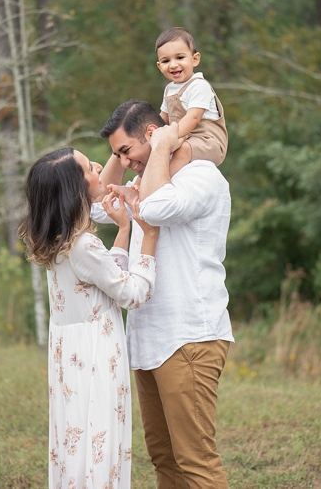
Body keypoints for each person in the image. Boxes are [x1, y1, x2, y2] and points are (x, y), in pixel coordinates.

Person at [97, 100, 234, 489]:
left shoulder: (201, 175)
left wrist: (160, 148)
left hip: (188, 337)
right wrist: (124, 163)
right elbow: (95, 208)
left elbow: (154, 210)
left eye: (126, 151)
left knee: (195, 461)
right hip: (150, 339)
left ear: (154, 136)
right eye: (117, 155)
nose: (125, 163)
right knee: (164, 458)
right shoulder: (148, 179)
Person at [19, 147, 159, 488]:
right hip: (96, 357)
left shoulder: (60, 241)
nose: (99, 167)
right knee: (100, 437)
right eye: (88, 167)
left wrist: (123, 229)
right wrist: (149, 235)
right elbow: (132, 294)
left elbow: (104, 278)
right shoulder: (84, 246)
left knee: (76, 438)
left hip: (73, 357)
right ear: (75, 189)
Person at [155, 27, 228, 176]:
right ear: (159, 66)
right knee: (151, 151)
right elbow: (163, 118)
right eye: (166, 61)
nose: (173, 64)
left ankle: (163, 182)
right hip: (182, 137)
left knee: (183, 150)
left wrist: (169, 138)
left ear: (195, 59)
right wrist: (152, 133)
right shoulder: (169, 89)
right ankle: (139, 185)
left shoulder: (199, 85)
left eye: (180, 58)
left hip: (208, 142)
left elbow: (193, 118)